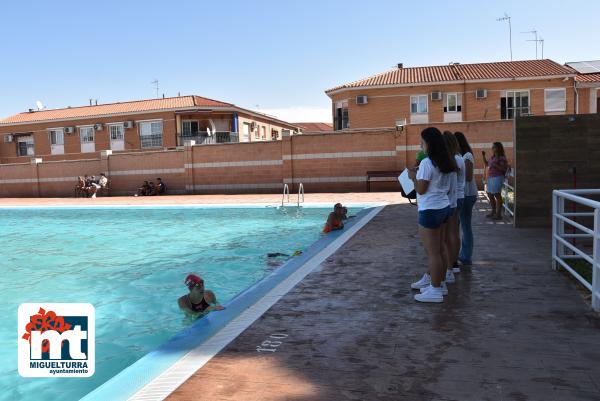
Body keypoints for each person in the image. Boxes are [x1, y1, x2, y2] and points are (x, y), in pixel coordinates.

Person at [408, 127, 457, 303]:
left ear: (429, 143)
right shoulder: (447, 162)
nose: (421, 146)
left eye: (422, 142)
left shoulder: (427, 164)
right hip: (444, 207)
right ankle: (440, 283)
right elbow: (450, 188)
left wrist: (412, 177)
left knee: (433, 253)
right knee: (441, 248)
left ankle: (435, 290)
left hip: (429, 210)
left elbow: (421, 190)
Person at [442, 132, 465, 282]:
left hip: (454, 198)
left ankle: (450, 267)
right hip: (459, 196)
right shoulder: (459, 158)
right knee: (454, 233)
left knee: (450, 234)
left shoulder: (454, 159)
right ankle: (453, 265)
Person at [455, 132, 477, 265]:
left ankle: (466, 256)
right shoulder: (461, 156)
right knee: (461, 225)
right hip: (464, 194)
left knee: (465, 225)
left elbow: (468, 177)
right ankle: (462, 254)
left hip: (467, 194)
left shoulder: (467, 156)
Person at [482, 142, 508, 220]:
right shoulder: (492, 157)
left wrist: (495, 165)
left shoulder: (501, 157)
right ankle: (493, 211)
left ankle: (498, 214)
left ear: (498, 148)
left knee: (497, 194)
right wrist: (483, 156)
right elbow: (487, 164)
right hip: (491, 177)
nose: (492, 148)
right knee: (489, 194)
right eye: (492, 147)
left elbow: (503, 169)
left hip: (498, 177)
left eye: (494, 147)